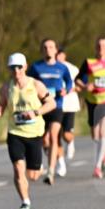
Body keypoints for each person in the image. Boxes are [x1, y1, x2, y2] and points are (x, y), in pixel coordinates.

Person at [0, 52, 57, 209]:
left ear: (25, 67)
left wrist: (36, 112)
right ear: (9, 69)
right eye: (13, 67)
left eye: (19, 67)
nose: (17, 71)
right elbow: (3, 105)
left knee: (33, 175)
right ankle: (25, 202)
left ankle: (39, 167)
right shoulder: (7, 87)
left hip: (34, 133)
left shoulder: (36, 85)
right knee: (18, 169)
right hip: (15, 133)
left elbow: (52, 103)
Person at [26, 39, 72, 186]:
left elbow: (69, 82)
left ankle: (51, 170)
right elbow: (28, 82)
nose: (48, 50)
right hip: (41, 107)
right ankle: (47, 158)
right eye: (45, 47)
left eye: (51, 47)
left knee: (53, 136)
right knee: (42, 139)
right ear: (42, 50)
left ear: (56, 50)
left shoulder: (62, 67)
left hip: (56, 105)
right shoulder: (36, 67)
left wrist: (66, 90)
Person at [75, 37, 105, 179]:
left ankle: (98, 166)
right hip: (92, 101)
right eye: (98, 46)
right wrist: (84, 86)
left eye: (104, 46)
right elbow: (77, 78)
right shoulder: (89, 62)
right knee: (95, 135)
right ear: (95, 48)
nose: (101, 48)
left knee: (104, 130)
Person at [56, 48, 81, 168]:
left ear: (64, 55)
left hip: (69, 105)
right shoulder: (49, 68)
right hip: (54, 105)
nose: (57, 57)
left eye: (59, 55)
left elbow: (81, 87)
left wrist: (67, 90)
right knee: (54, 135)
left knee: (65, 134)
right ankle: (61, 163)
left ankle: (70, 141)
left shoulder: (73, 69)